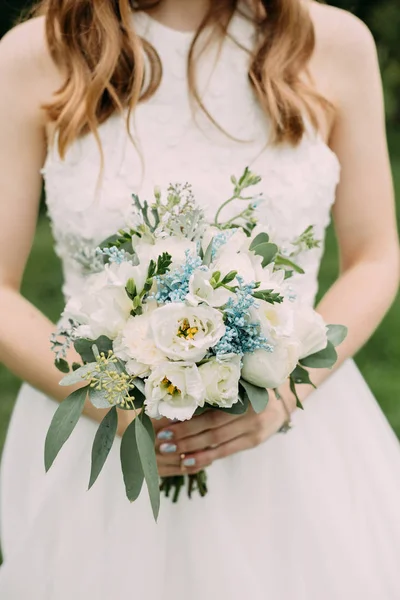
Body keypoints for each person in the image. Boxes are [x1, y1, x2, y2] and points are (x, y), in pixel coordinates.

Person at [0, 0, 399, 597]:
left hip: (293, 451)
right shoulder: (37, 53)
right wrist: (119, 403)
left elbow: (376, 256)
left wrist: (285, 389)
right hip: (106, 448)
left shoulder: (335, 43)